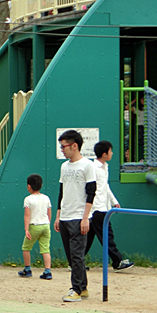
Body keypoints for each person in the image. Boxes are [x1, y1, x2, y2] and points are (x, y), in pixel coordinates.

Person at [54, 129, 96, 302]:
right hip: (65, 216)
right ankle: (83, 287)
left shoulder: (87, 165)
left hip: (79, 216)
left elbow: (91, 192)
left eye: (64, 147)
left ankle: (76, 289)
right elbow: (61, 192)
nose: (62, 150)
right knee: (72, 256)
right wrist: (58, 216)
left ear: (75, 146)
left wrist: (86, 217)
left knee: (77, 255)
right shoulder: (64, 166)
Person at [85, 140, 134, 271]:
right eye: (110, 151)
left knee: (89, 237)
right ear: (104, 154)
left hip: (102, 207)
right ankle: (117, 261)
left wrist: (114, 201)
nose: (112, 153)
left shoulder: (105, 167)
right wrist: (93, 208)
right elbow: (92, 189)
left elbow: (105, 187)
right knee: (107, 235)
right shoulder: (93, 168)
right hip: (97, 209)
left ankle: (75, 261)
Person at [18, 173, 53, 279]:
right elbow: (49, 212)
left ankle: (27, 269)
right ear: (41, 185)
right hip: (45, 225)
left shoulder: (28, 199)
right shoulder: (46, 198)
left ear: (29, 186)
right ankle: (48, 271)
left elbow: (27, 215)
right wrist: (48, 223)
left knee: (26, 247)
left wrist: (26, 229)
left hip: (34, 226)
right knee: (45, 249)